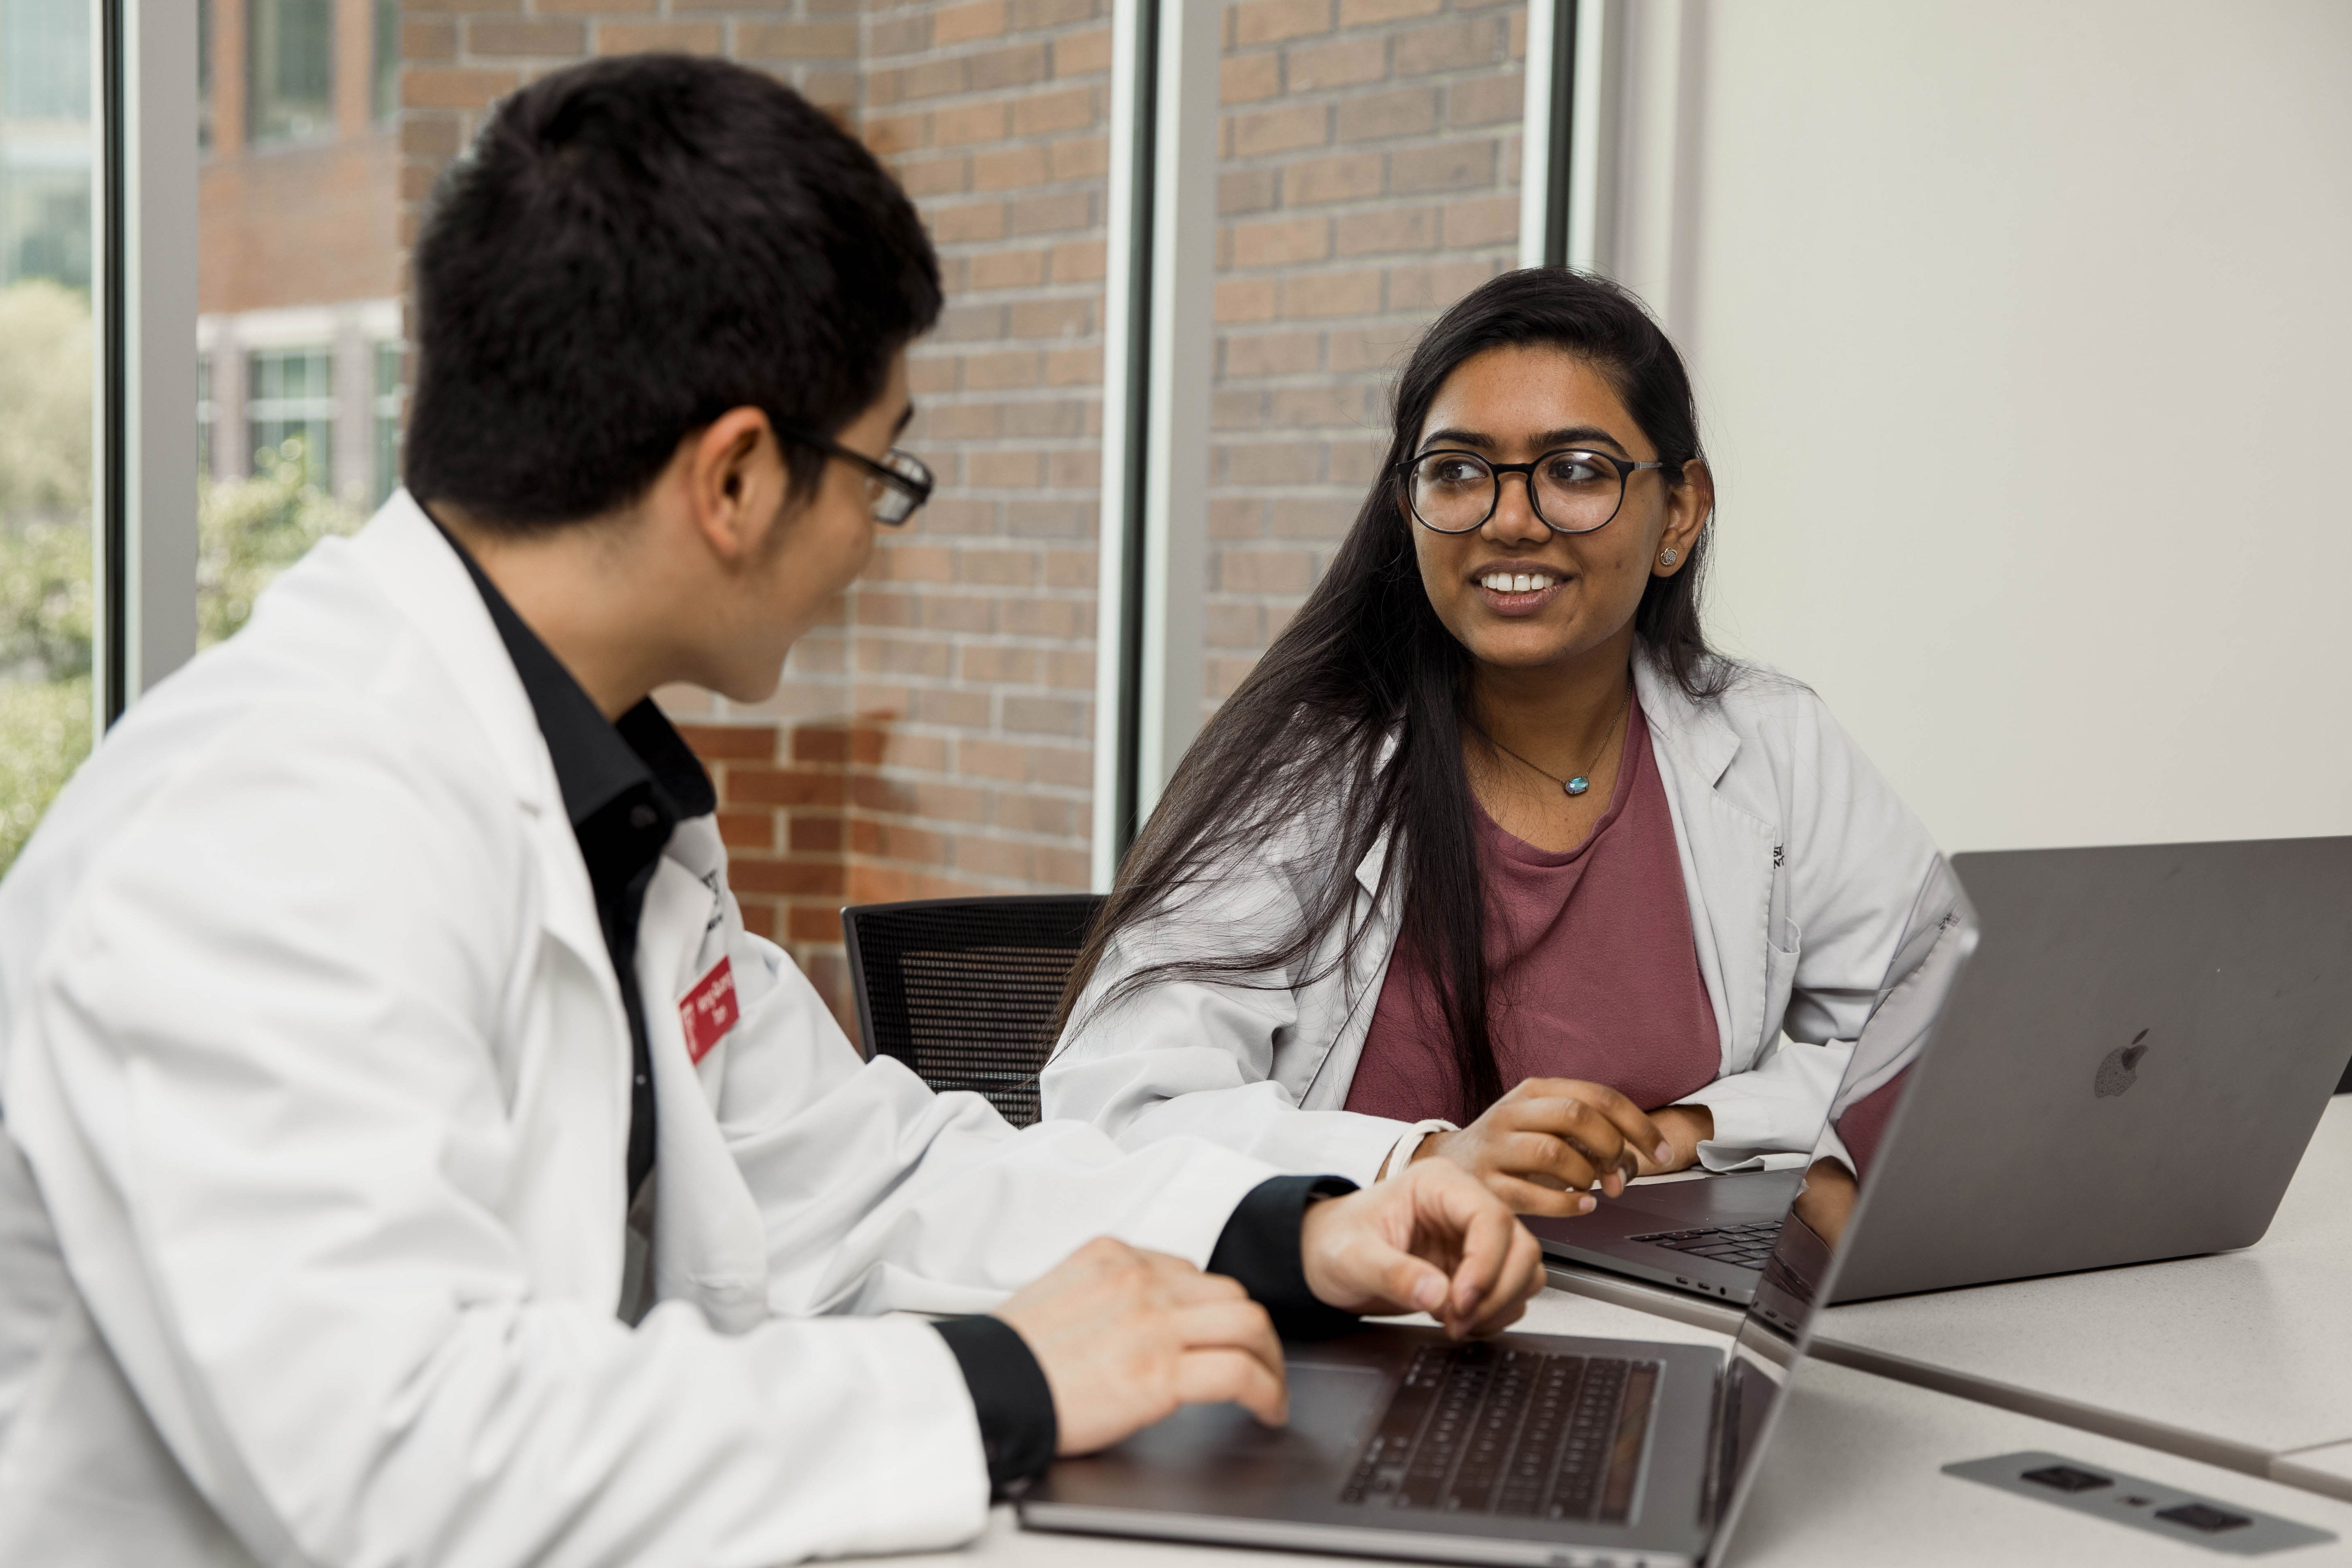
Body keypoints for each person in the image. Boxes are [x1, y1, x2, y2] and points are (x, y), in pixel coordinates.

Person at [0, 56, 1546, 1564]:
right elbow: (401, 1459)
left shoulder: (592, 793)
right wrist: (994, 1382)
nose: (878, 539)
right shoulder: (267, 824)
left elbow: (860, 1177)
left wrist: (1298, 1231)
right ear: (736, 479)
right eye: (882, 473)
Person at [1043, 268, 1964, 1219]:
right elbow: (1115, 1108)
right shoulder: (1307, 768)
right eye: (1458, 471)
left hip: (1654, 1296)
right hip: (1373, 1319)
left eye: (1574, 471)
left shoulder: (1771, 740)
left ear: (1679, 514)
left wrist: (1689, 1131)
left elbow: (1935, 1027)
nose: (1511, 521)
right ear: (1410, 507)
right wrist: (1428, 1161)